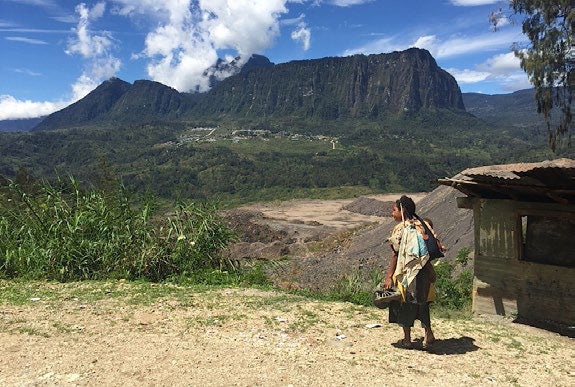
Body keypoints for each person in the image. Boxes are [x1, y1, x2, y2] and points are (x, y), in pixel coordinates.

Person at [383, 195, 440, 350]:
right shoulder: (422, 226)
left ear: (402, 210)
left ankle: (407, 340)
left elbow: (395, 254)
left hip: (407, 274)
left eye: (394, 209)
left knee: (404, 304)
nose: (392, 213)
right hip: (423, 272)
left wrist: (389, 276)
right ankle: (428, 335)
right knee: (423, 304)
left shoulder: (401, 229)